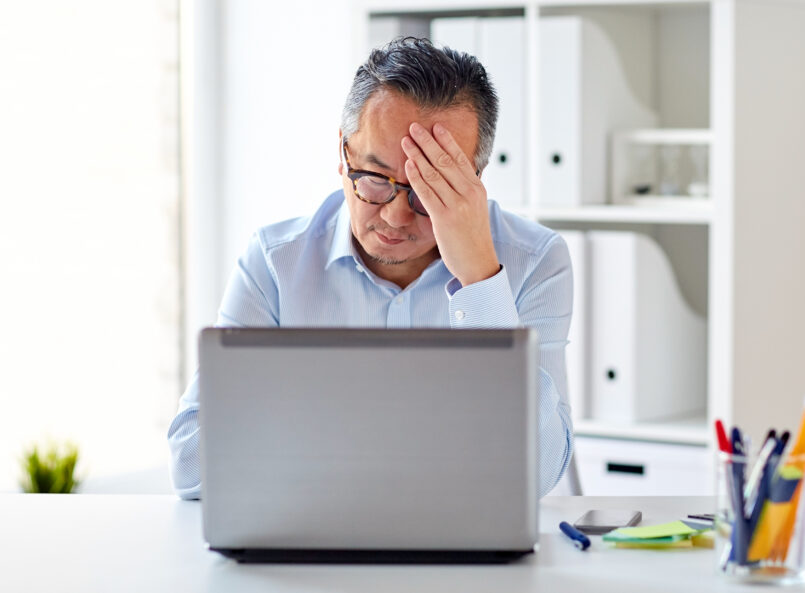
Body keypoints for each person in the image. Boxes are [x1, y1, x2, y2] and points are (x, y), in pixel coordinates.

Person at [167, 37, 574, 499]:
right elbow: (189, 465)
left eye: (430, 187)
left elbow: (537, 474)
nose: (397, 216)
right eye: (376, 180)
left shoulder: (536, 260)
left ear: (474, 181)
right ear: (343, 155)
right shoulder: (276, 262)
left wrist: (481, 279)